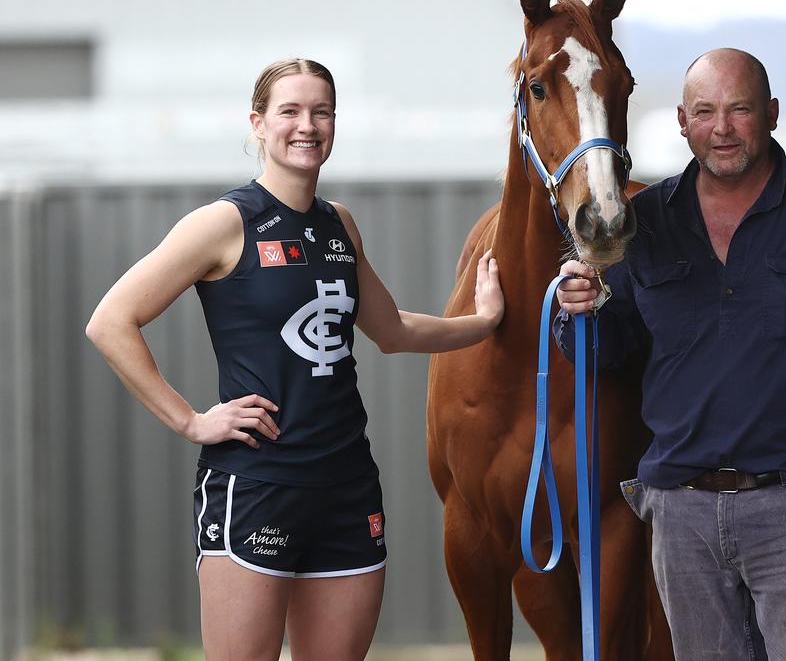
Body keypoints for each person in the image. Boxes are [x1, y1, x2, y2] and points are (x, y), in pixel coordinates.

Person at [84, 58, 504, 661]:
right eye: (290, 111)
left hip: (346, 487)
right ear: (258, 124)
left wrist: (484, 322)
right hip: (256, 486)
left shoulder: (340, 226)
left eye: (322, 111)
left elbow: (391, 329)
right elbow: (111, 321)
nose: (307, 125)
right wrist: (190, 420)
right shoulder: (224, 224)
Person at [554, 48, 786, 659]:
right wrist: (575, 310)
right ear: (681, 121)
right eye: (705, 112)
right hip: (682, 512)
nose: (722, 128)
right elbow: (608, 352)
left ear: (771, 113)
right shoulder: (644, 223)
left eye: (740, 109)